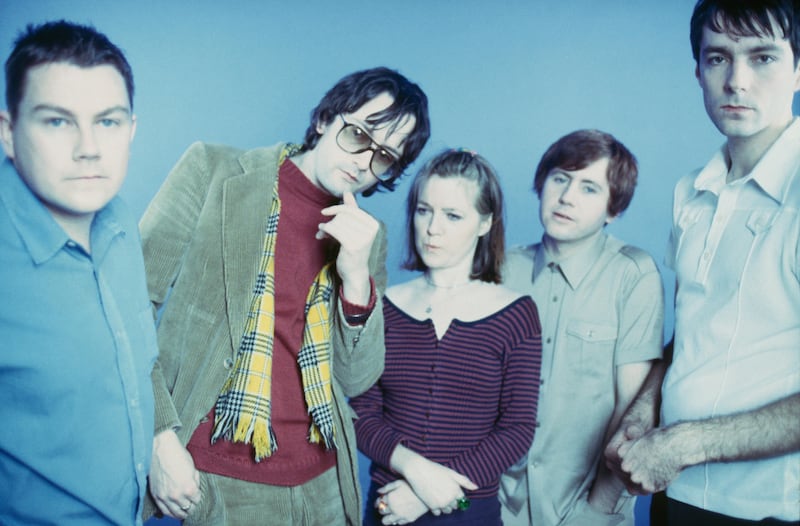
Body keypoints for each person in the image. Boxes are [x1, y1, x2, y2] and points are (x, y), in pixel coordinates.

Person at [140, 67, 430, 525]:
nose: (363, 162)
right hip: (220, 475)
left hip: (326, 480)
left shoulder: (367, 237)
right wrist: (158, 436)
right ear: (325, 119)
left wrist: (356, 279)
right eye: (357, 135)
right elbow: (128, 308)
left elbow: (355, 380)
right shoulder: (214, 170)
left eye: (384, 157)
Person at [604, 1, 800, 524]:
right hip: (678, 494)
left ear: (799, 68)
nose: (737, 81)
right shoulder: (690, 191)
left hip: (772, 507)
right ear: (697, 71)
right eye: (718, 58)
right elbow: (694, 329)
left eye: (763, 58)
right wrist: (646, 407)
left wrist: (684, 442)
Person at [0, 20, 156, 525]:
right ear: (8, 132)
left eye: (107, 122)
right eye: (57, 121)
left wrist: (163, 439)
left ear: (131, 130)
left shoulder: (121, 220)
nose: (88, 147)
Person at [350, 148, 542, 526]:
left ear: (485, 223)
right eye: (424, 210)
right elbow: (360, 414)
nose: (432, 228)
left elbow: (517, 429)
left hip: (470, 512)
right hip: (389, 508)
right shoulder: (384, 305)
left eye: (453, 215)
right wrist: (419, 474)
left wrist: (429, 495)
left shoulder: (516, 313)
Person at [497, 130, 665, 526]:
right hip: (497, 507)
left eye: (589, 187)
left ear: (613, 209)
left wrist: (596, 512)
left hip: (586, 510)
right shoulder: (501, 269)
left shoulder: (633, 273)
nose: (567, 197)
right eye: (560, 179)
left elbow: (632, 410)